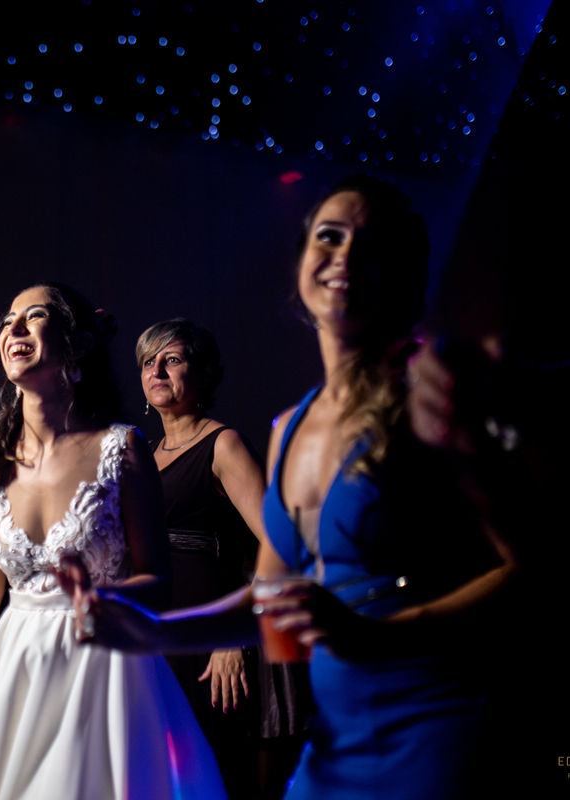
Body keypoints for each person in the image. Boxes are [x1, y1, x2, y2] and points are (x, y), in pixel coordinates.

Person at [58, 177, 521, 800]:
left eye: (371, 242)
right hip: (334, 745)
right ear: (303, 262)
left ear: (405, 274)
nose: (345, 253)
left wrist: (377, 636)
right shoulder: (289, 429)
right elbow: (270, 598)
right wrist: (154, 630)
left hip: (437, 731)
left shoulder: (434, 392)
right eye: (329, 235)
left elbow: (536, 571)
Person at [0, 283, 227, 800]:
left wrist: (101, 599)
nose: (14, 327)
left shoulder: (122, 449)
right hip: (16, 670)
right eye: (7, 320)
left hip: (104, 668)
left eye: (34, 316)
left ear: (76, 344)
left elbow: (157, 581)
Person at [137, 319, 310, 798]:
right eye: (148, 362)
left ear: (203, 373)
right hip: (163, 636)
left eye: (172, 359)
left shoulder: (223, 444)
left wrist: (232, 638)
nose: (157, 371)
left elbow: (279, 548)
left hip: (214, 644)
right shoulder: (141, 454)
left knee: (219, 774)